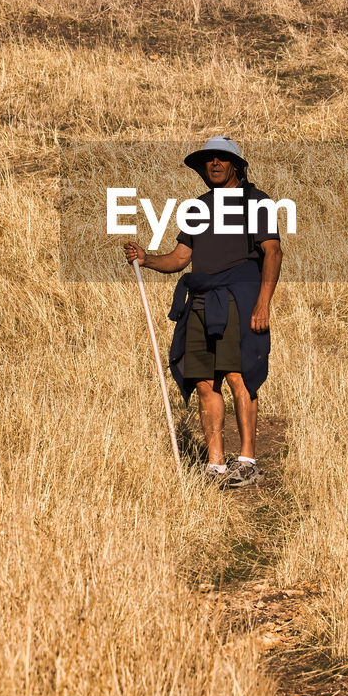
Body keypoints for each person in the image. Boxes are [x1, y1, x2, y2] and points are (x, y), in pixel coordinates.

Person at [124, 136, 283, 487]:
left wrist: (262, 303)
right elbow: (181, 258)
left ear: (236, 165)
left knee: (238, 375)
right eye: (209, 159)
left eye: (222, 159)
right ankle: (216, 466)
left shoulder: (256, 202)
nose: (214, 164)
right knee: (204, 382)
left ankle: (247, 461)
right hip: (198, 301)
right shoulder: (199, 207)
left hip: (236, 300)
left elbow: (273, 252)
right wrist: (146, 259)